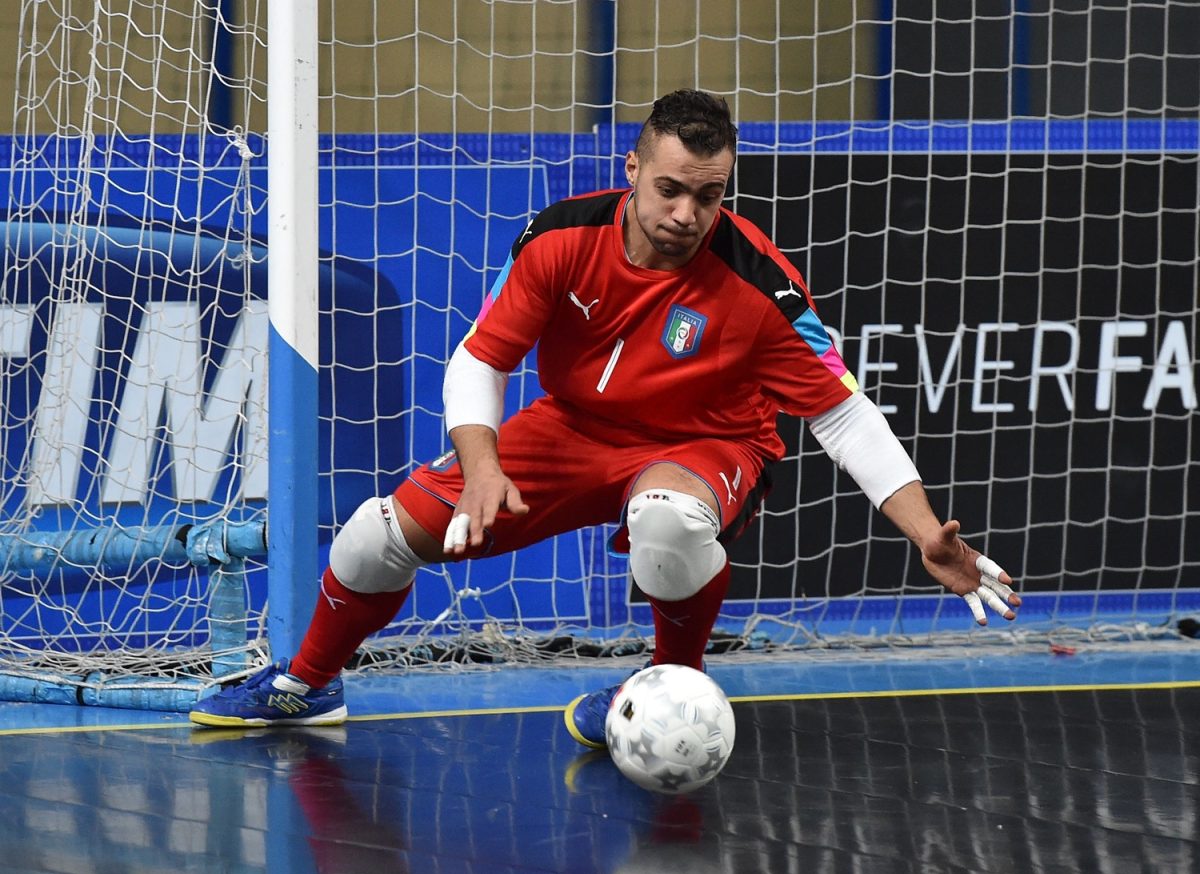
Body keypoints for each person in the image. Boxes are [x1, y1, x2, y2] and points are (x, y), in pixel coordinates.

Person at [190, 89, 1020, 740]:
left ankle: (659, 690)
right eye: (669, 189)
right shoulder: (560, 238)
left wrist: (923, 531)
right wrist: (482, 467)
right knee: (374, 536)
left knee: (668, 523)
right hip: (572, 429)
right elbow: (480, 359)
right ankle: (307, 683)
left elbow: (842, 416)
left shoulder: (764, 289)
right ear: (631, 168)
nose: (686, 215)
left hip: (707, 442)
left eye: (708, 195)